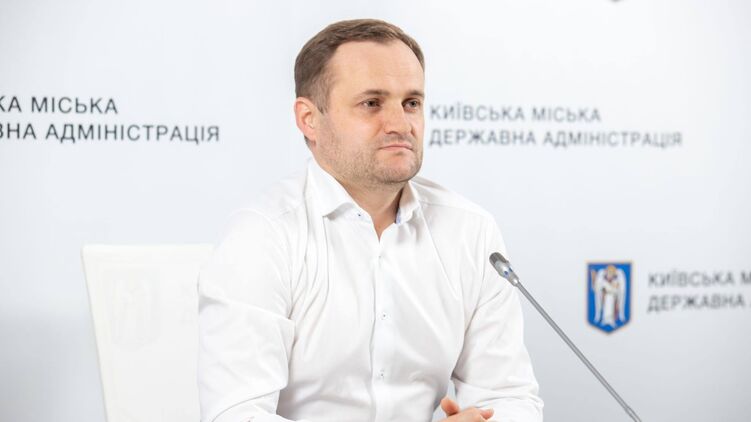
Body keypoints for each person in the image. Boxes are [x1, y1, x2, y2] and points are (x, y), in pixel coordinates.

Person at [197, 19, 543, 422]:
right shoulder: (263, 235)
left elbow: (509, 396)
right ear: (309, 118)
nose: (400, 124)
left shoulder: (470, 231)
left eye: (411, 103)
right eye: (371, 104)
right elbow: (235, 414)